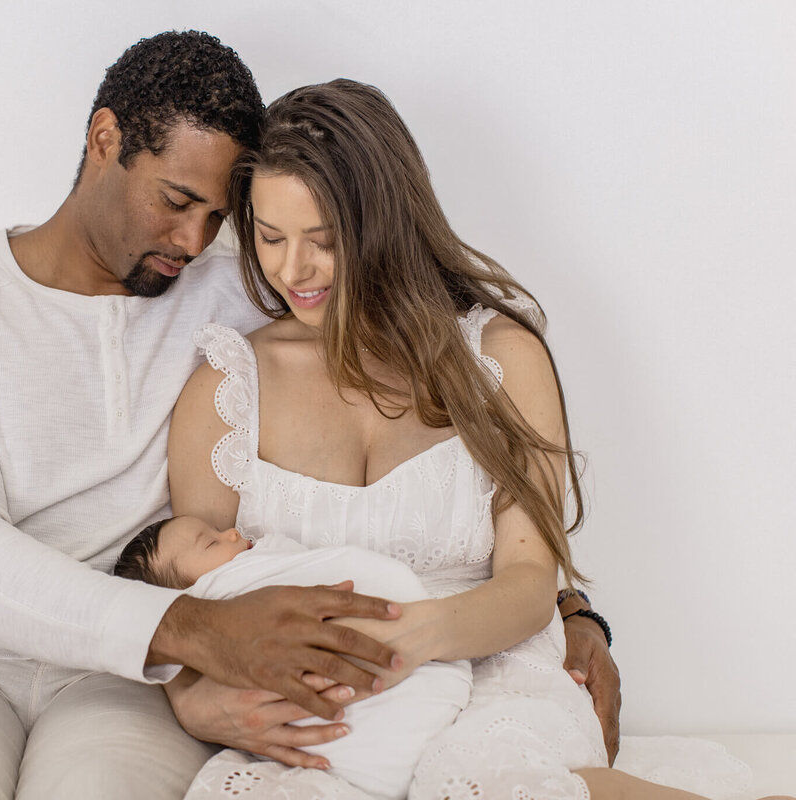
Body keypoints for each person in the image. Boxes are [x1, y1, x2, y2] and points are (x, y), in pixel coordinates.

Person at [0, 31, 621, 798]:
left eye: (219, 218)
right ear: (103, 138)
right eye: (175, 200)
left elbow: (408, 330)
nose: (195, 242)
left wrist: (565, 613)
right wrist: (195, 632)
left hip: (136, 678)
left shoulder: (253, 282)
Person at [167, 78, 762, 799]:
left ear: (384, 223)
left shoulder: (500, 358)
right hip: (327, 698)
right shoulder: (228, 389)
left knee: (481, 783)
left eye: (324, 241)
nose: (293, 270)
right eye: (270, 238)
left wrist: (410, 639)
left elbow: (528, 582)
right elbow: (187, 600)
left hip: (493, 672)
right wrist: (196, 698)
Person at [115, 515, 472, 799]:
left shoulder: (268, 558)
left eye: (219, 531)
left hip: (439, 630)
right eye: (211, 542)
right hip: (431, 667)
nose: (232, 534)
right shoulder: (220, 591)